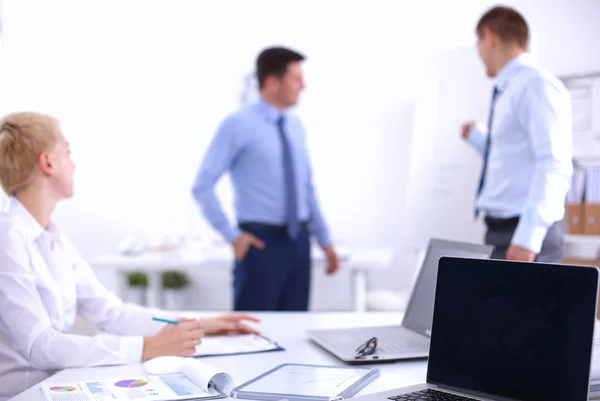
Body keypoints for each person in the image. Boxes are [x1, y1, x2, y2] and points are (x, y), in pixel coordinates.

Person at [0, 112, 260, 401]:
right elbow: (40, 346)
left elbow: (113, 313)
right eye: (68, 152)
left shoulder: (54, 239)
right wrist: (147, 347)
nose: (75, 164)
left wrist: (198, 323)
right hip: (24, 394)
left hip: (60, 383)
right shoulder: (7, 237)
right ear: (48, 162)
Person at [192, 46, 339, 311]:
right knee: (253, 335)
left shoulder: (295, 127)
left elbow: (306, 188)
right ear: (272, 82)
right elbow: (202, 185)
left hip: (299, 245)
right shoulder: (237, 125)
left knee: (296, 330)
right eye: (296, 78)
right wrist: (232, 235)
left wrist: (325, 241)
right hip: (260, 245)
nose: (303, 86)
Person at [461, 6, 572, 262]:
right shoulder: (510, 89)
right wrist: (480, 138)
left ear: (489, 37)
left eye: (478, 44)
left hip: (525, 236)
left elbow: (554, 165)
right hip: (501, 232)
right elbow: (513, 157)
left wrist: (527, 239)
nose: (479, 53)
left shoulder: (535, 84)